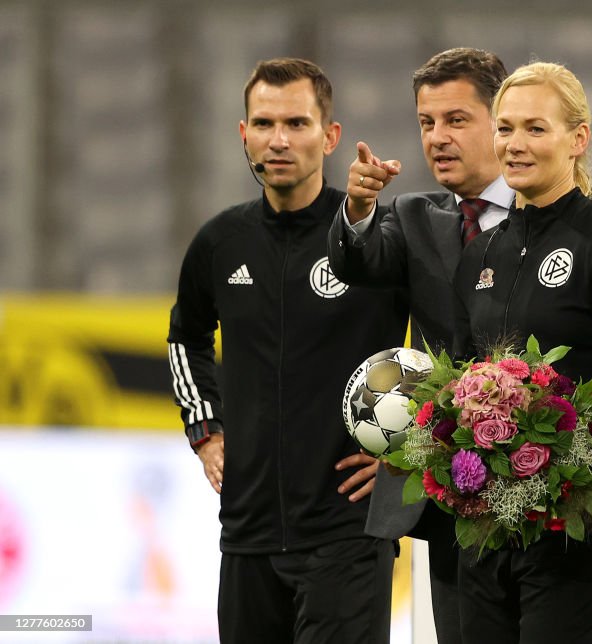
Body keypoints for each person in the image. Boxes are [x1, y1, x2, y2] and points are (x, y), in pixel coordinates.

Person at [327, 48, 592, 642]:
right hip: (455, 500)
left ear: (501, 121)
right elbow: (357, 261)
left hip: (548, 495)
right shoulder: (416, 218)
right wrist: (359, 211)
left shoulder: (588, 220)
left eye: (457, 120)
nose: (438, 137)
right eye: (426, 123)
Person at [167, 58, 407, 644]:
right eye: (265, 123)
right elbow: (185, 339)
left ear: (330, 138)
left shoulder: (376, 241)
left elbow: (444, 346)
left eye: (297, 123)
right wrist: (206, 431)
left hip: (347, 532)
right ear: (242, 133)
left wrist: (409, 455)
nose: (279, 139)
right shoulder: (219, 243)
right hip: (247, 535)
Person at [451, 61, 592, 644]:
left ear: (577, 140)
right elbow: (461, 380)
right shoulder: (481, 254)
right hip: (490, 530)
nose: (514, 145)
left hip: (585, 533)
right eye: (504, 129)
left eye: (534, 129)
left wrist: (558, 469)